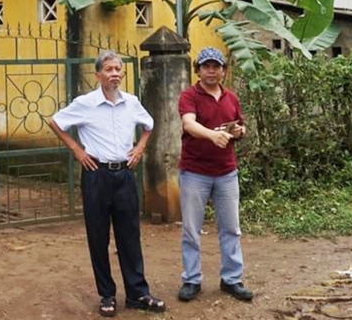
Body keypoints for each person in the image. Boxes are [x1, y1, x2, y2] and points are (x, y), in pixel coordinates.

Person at [49, 50, 166, 318]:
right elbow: (56, 122)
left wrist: (140, 148)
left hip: (124, 175)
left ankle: (137, 293)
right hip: (96, 175)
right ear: (98, 74)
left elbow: (149, 124)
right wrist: (77, 151)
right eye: (109, 69)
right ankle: (107, 295)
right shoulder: (85, 103)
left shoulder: (132, 102)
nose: (115, 74)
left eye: (118, 69)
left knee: (130, 235)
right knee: (98, 236)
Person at [176, 47, 254, 303]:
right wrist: (212, 135)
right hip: (194, 172)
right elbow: (189, 123)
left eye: (216, 66)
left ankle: (232, 279)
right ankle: (191, 279)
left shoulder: (231, 97)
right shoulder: (190, 95)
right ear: (198, 70)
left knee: (231, 228)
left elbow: (239, 124)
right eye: (206, 66)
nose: (211, 71)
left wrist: (239, 131)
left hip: (226, 172)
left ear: (223, 70)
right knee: (191, 229)